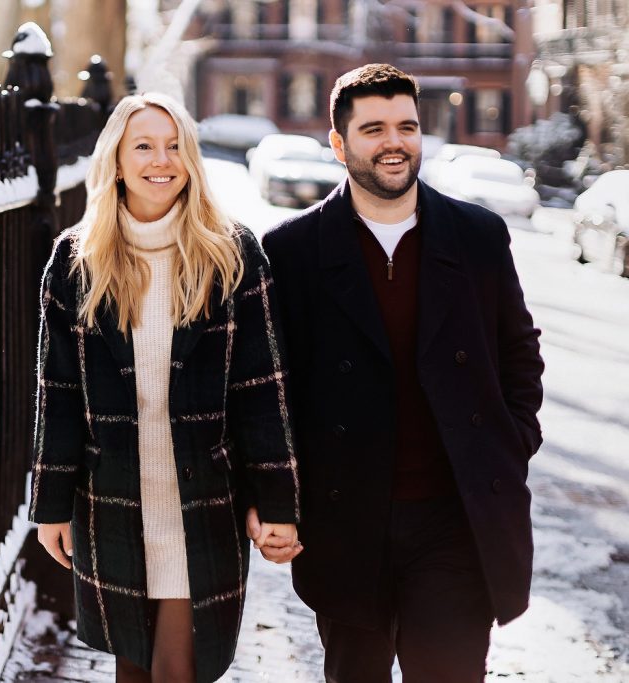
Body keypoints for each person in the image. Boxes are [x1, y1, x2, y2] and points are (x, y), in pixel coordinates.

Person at [257, 64, 544, 682]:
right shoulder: (291, 251)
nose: (396, 142)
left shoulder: (477, 236)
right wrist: (271, 498)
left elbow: (520, 353)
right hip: (344, 519)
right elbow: (267, 391)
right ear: (339, 143)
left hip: (456, 519)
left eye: (408, 126)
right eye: (374, 128)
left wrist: (511, 444)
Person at [29, 92, 302, 683]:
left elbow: (262, 388)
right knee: (134, 663)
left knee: (180, 665)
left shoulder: (231, 254)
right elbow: (59, 391)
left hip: (203, 499)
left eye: (175, 145)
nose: (163, 159)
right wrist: (51, 504)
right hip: (113, 497)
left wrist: (277, 501)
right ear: (118, 161)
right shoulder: (77, 262)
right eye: (145, 145)